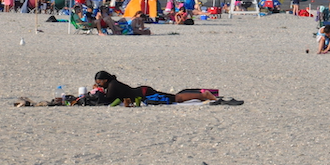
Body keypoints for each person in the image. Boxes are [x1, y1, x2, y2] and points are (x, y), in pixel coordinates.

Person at [92, 71, 243, 105]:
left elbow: (108, 100)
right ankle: (201, 94)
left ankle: (204, 96)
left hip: (144, 94)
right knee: (174, 96)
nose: (99, 84)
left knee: (176, 98)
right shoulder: (112, 83)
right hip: (143, 90)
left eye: (99, 82)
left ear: (105, 80)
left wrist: (98, 92)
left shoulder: (112, 85)